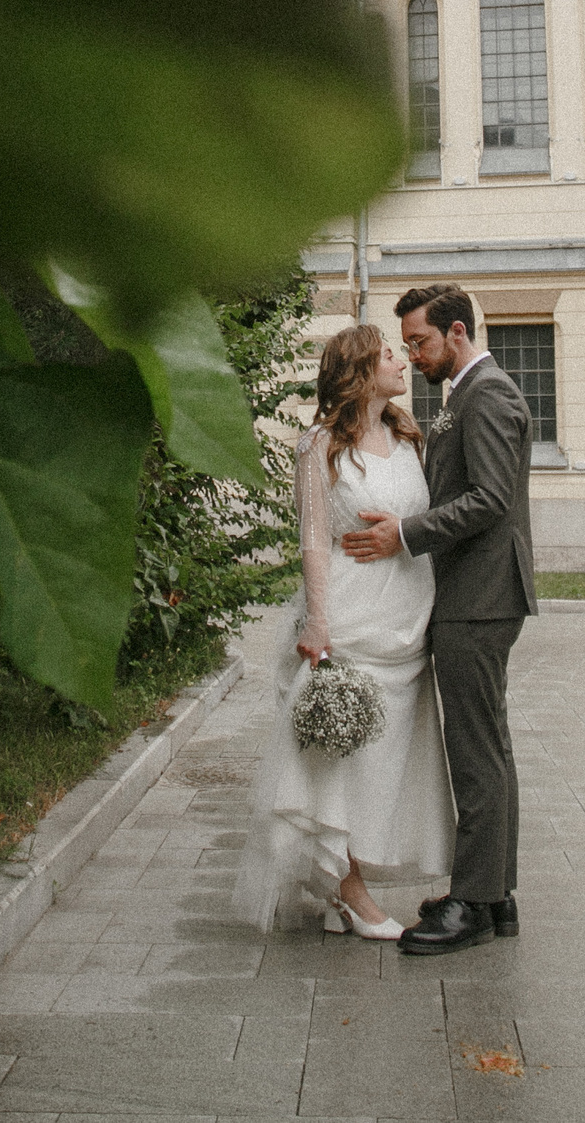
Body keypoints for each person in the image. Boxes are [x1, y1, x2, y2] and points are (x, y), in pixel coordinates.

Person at [232, 324, 453, 939]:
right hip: (352, 621)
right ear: (359, 372)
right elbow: (313, 541)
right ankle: (351, 894)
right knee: (342, 758)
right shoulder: (319, 446)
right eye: (388, 354)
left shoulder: (409, 437)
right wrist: (318, 621)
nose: (402, 361)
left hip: (408, 621)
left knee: (385, 763)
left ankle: (339, 888)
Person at [341, 282, 536, 955]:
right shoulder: (465, 395)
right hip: (474, 596)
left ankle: (474, 904)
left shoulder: (490, 394)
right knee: (488, 747)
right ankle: (495, 893)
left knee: (475, 752)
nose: (414, 356)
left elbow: (487, 499)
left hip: (479, 598)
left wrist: (406, 532)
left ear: (456, 333)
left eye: (420, 342)